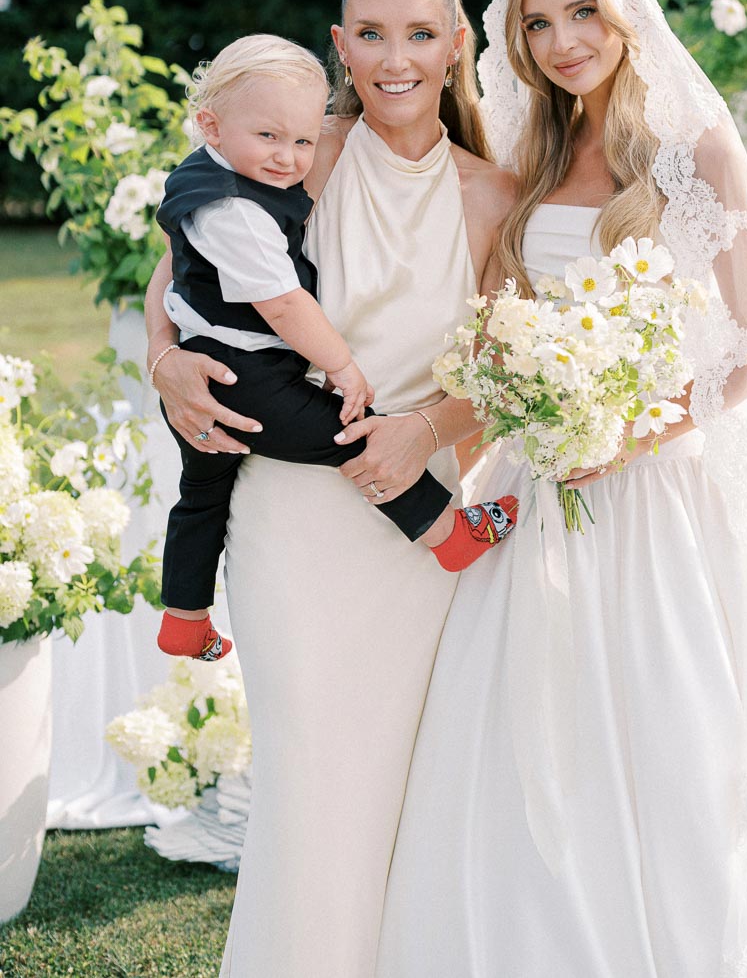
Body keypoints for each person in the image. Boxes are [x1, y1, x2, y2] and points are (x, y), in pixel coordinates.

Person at [376, 0, 747, 978]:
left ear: (622, 14)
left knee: (683, 739)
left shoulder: (695, 150)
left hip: (665, 486)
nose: (566, 40)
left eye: (582, 13)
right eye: (539, 22)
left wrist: (622, 433)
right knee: (528, 745)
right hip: (542, 483)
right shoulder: (527, 158)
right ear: (517, 40)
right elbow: (500, 318)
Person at [145, 0, 516, 976]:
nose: (394, 57)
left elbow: (505, 369)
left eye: (418, 33)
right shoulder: (304, 151)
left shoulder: (493, 195)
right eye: (371, 34)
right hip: (292, 522)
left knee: (405, 786)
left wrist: (425, 434)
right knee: (311, 781)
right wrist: (165, 362)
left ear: (454, 46)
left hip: (420, 521)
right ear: (342, 46)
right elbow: (180, 276)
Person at [153, 34, 517, 662]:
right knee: (351, 434)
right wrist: (341, 365)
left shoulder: (215, 173)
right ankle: (445, 532)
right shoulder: (233, 210)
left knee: (201, 495)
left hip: (214, 360)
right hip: (244, 375)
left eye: (301, 141)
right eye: (269, 138)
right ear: (210, 124)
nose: (288, 159)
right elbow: (284, 303)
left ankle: (184, 619)